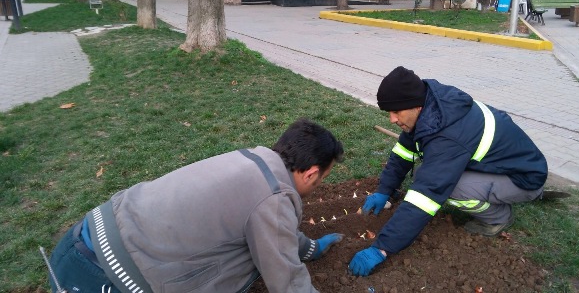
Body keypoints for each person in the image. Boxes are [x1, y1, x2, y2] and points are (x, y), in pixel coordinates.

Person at [47, 118, 345, 293]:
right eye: (323, 178)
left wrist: (309, 249)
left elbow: (276, 230)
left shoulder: (250, 160)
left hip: (76, 245)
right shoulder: (274, 198)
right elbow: (289, 283)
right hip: (103, 280)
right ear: (312, 173)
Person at [348, 66, 548, 277]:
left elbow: (426, 196)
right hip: (506, 166)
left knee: (449, 188)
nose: (392, 119)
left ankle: (498, 217)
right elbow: (404, 153)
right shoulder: (429, 107)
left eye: (396, 112)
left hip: (523, 178)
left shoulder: (448, 135)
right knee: (424, 173)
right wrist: (385, 189)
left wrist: (382, 247)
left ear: (414, 105)